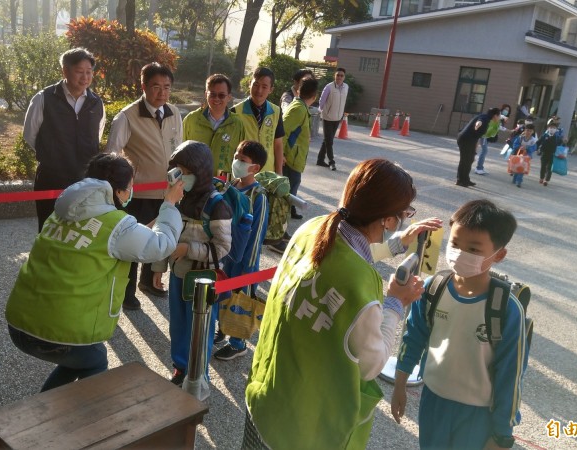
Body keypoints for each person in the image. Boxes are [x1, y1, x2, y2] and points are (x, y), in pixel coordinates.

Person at [243, 159, 433, 450]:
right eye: (405, 213)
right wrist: (396, 301)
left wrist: (397, 243)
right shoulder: (359, 287)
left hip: (265, 396)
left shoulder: (314, 228)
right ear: (389, 220)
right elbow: (372, 365)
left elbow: (348, 255)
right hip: (303, 430)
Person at [5, 153, 185, 392]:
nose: (131, 191)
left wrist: (157, 219)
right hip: (54, 333)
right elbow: (161, 246)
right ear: (119, 191)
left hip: (19, 322)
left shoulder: (62, 211)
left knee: (83, 360)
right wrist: (170, 204)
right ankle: (75, 424)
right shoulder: (116, 225)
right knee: (95, 360)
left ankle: (44, 409)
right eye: (130, 186)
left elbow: (128, 236)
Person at [391, 199, 527, 450]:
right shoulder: (433, 288)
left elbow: (511, 375)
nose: (460, 253)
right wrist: (400, 383)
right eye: (454, 244)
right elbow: (413, 337)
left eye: (474, 249)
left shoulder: (506, 309)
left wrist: (502, 436)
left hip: (477, 414)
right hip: (433, 401)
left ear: (499, 255)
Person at [152, 141, 233, 385]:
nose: (179, 177)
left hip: (203, 282)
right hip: (178, 275)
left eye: (185, 172)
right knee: (178, 325)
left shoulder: (217, 205)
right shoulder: (175, 197)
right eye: (177, 169)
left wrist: (188, 249)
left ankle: (198, 375)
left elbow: (222, 248)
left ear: (201, 172)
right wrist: (158, 268)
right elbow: (163, 231)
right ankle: (180, 367)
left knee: (201, 329)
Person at [106, 62, 183, 310]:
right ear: (143, 87)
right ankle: (125, 292)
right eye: (156, 87)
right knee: (133, 243)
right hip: (136, 194)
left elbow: (178, 148)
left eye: (167, 87)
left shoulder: (174, 112)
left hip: (166, 192)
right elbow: (112, 154)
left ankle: (149, 282)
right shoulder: (127, 116)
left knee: (157, 237)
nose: (162, 92)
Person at [23, 47, 105, 232]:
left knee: (79, 231)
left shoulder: (96, 103)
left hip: (84, 179)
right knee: (49, 227)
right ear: (65, 71)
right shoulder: (44, 99)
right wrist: (51, 153)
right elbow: (30, 135)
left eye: (89, 72)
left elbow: (96, 137)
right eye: (79, 72)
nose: (85, 77)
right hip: (51, 178)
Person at [214, 141, 270, 361]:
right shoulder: (232, 185)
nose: (236, 161)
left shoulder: (258, 195)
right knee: (223, 291)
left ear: (255, 168)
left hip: (245, 258)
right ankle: (222, 329)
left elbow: (257, 233)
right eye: (236, 155)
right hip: (227, 251)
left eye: (242, 159)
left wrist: (249, 261)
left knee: (241, 296)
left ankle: (238, 344)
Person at [183, 74, 245, 180]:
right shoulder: (191, 120)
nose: (216, 99)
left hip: (223, 185)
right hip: (194, 182)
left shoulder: (237, 124)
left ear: (229, 97)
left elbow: (240, 157)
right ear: (206, 94)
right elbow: (181, 152)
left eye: (221, 95)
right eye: (212, 94)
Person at [233, 67, 285, 174]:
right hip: (242, 174)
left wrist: (279, 175)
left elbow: (278, 145)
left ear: (271, 89)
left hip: (267, 175)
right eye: (255, 85)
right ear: (249, 84)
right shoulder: (235, 111)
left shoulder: (276, 112)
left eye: (264, 87)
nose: (259, 90)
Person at [282, 77, 319, 223]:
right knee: (290, 188)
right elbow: (283, 131)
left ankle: (290, 210)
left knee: (293, 186)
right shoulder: (298, 108)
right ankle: (283, 222)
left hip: (294, 157)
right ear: (315, 96)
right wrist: (282, 154)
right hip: (290, 158)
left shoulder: (300, 107)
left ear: (298, 90)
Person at [456, 108, 501, 187]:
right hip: (465, 139)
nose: (499, 117)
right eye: (499, 115)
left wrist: (475, 150)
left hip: (471, 140)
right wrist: (478, 124)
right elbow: (479, 121)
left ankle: (466, 179)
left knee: (470, 159)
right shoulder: (484, 118)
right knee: (465, 160)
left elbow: (478, 137)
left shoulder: (488, 119)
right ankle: (460, 180)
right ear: (495, 115)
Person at [316, 67, 349, 171]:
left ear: (344, 77)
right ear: (334, 75)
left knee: (327, 140)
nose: (339, 77)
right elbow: (321, 101)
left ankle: (320, 160)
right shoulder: (329, 87)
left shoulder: (346, 87)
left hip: (337, 117)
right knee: (329, 141)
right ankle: (332, 161)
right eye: (337, 75)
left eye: (341, 75)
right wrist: (320, 111)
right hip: (327, 117)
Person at [475, 105, 509, 175]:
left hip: (486, 136)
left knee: (484, 151)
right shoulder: (489, 118)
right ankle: (479, 168)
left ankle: (480, 167)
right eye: (505, 109)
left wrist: (504, 117)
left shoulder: (497, 117)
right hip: (484, 136)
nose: (506, 111)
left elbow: (502, 118)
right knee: (484, 151)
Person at [536, 119, 560, 186]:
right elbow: (538, 143)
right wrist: (536, 149)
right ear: (548, 128)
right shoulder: (544, 136)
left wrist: (565, 142)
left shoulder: (557, 137)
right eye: (551, 127)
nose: (552, 129)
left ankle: (546, 180)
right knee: (543, 166)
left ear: (556, 129)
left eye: (554, 128)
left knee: (549, 168)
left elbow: (561, 145)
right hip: (544, 153)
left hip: (552, 155)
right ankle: (541, 177)